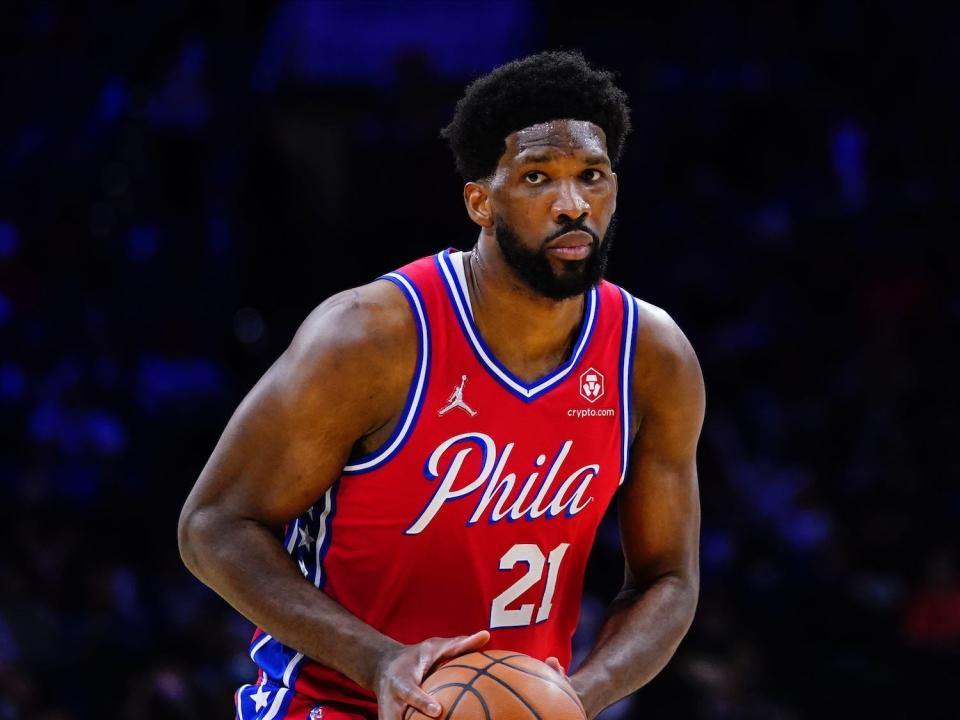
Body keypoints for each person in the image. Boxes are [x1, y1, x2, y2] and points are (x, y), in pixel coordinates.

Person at [178, 49, 704, 720]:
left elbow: (669, 579)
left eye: (591, 177)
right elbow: (212, 526)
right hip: (334, 704)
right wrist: (377, 659)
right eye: (538, 177)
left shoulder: (651, 357)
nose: (572, 204)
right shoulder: (369, 338)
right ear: (481, 201)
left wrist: (574, 697)